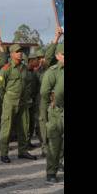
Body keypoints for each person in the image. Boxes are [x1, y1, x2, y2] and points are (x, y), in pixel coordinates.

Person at [0, 44, 37, 163]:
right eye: (17, 51)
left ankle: (22, 151)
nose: (20, 53)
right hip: (10, 103)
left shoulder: (24, 68)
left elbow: (28, 84)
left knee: (24, 127)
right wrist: (7, 99)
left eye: (21, 51)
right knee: (6, 128)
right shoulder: (5, 69)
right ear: (12, 54)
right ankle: (4, 153)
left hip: (23, 103)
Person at [36, 26, 63, 157]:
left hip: (56, 100)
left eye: (43, 57)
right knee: (43, 122)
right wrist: (56, 38)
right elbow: (48, 55)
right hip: (43, 99)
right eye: (39, 57)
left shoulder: (56, 64)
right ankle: (45, 147)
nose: (42, 59)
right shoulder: (45, 68)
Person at [40, 43, 64, 183]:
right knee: (54, 144)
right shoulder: (52, 72)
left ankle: (59, 164)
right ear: (57, 56)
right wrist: (52, 103)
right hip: (56, 111)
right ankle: (51, 172)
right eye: (63, 54)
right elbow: (44, 93)